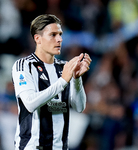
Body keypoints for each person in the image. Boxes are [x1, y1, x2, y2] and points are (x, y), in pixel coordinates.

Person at [11, 14, 92, 150]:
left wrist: (77, 79)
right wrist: (62, 81)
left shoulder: (64, 67)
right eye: (53, 35)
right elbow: (30, 103)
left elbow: (79, 107)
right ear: (38, 39)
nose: (59, 39)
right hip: (32, 146)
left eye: (60, 34)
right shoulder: (24, 66)